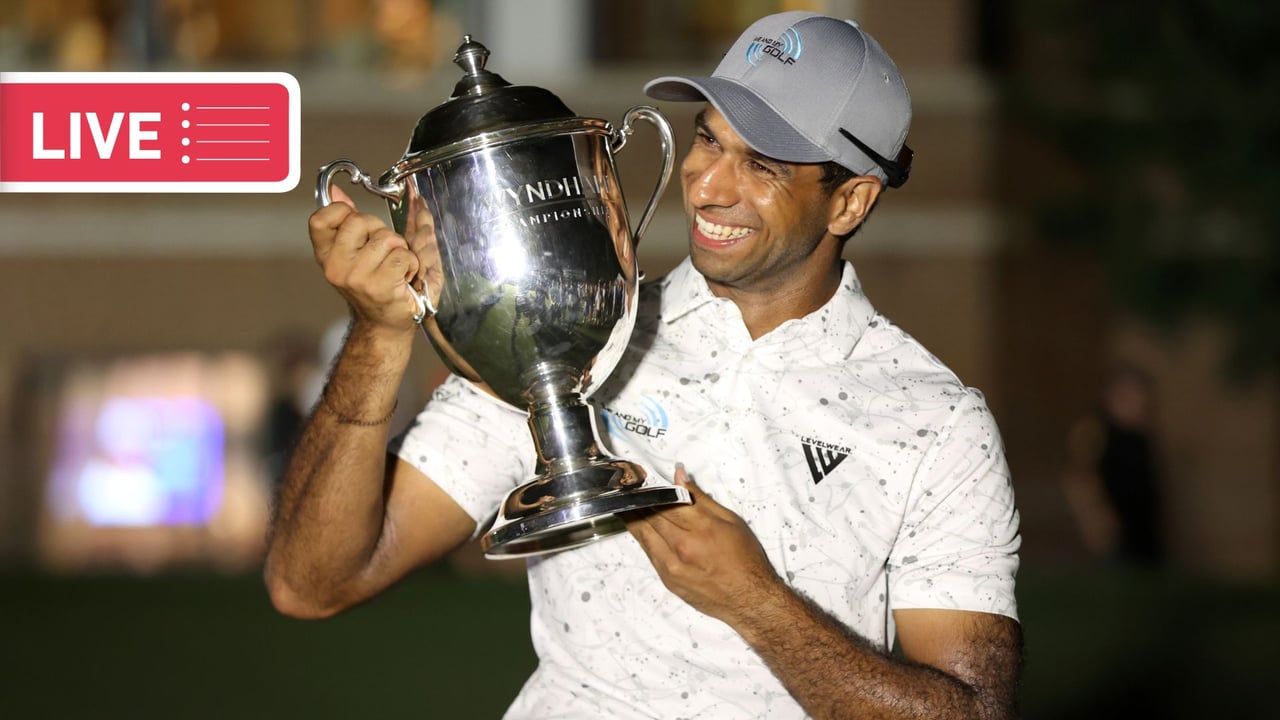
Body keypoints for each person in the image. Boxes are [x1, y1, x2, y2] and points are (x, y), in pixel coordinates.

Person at [265, 11, 1023, 720]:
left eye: (760, 163)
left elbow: (969, 711)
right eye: (708, 140)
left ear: (850, 202)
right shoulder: (565, 331)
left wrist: (755, 602)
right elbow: (313, 583)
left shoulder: (935, 422)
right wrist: (378, 335)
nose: (707, 183)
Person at [1063, 365, 1164, 566]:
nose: (1143, 404)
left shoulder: (1140, 437)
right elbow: (1077, 478)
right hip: (1113, 537)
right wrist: (1095, 521)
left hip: (1141, 535)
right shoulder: (1096, 430)